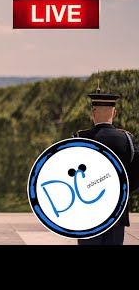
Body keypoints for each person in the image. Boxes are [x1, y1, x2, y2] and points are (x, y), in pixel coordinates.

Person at [73, 85, 139, 245]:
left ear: (93, 112)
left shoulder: (80, 138)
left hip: (87, 213)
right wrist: (121, 191)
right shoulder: (127, 139)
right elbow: (137, 174)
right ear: (114, 113)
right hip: (117, 211)